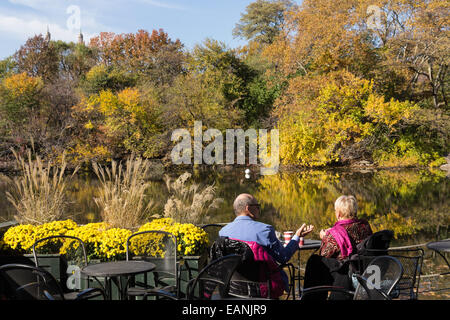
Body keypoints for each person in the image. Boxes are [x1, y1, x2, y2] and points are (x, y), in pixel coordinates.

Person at [219, 193, 314, 296]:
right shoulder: (264, 230)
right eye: (257, 206)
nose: (259, 209)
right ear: (248, 208)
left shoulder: (223, 233)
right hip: (263, 290)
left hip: (234, 290)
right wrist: (297, 237)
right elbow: (283, 257)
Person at [302, 195, 373, 300]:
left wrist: (325, 237)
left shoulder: (334, 234)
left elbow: (324, 255)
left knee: (315, 262)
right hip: (364, 271)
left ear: (338, 214)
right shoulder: (365, 226)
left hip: (346, 275)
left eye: (335, 211)